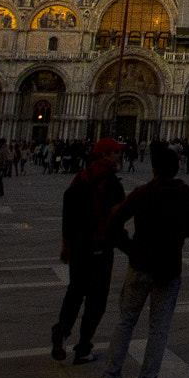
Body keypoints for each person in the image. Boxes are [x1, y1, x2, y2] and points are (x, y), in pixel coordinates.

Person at [98, 142, 189, 378]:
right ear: (177, 168)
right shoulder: (188, 194)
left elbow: (113, 223)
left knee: (125, 323)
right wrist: (175, 235)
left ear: (153, 169)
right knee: (159, 330)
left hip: (140, 265)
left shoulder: (141, 193)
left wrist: (130, 248)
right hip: (168, 269)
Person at [52, 138, 125, 366]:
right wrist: (131, 248)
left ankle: (62, 331)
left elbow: (68, 208)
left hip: (77, 246)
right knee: (97, 299)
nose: (118, 156)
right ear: (104, 155)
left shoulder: (80, 177)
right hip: (99, 247)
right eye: (115, 153)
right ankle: (83, 347)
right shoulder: (110, 181)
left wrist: (66, 244)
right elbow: (117, 219)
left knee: (75, 291)